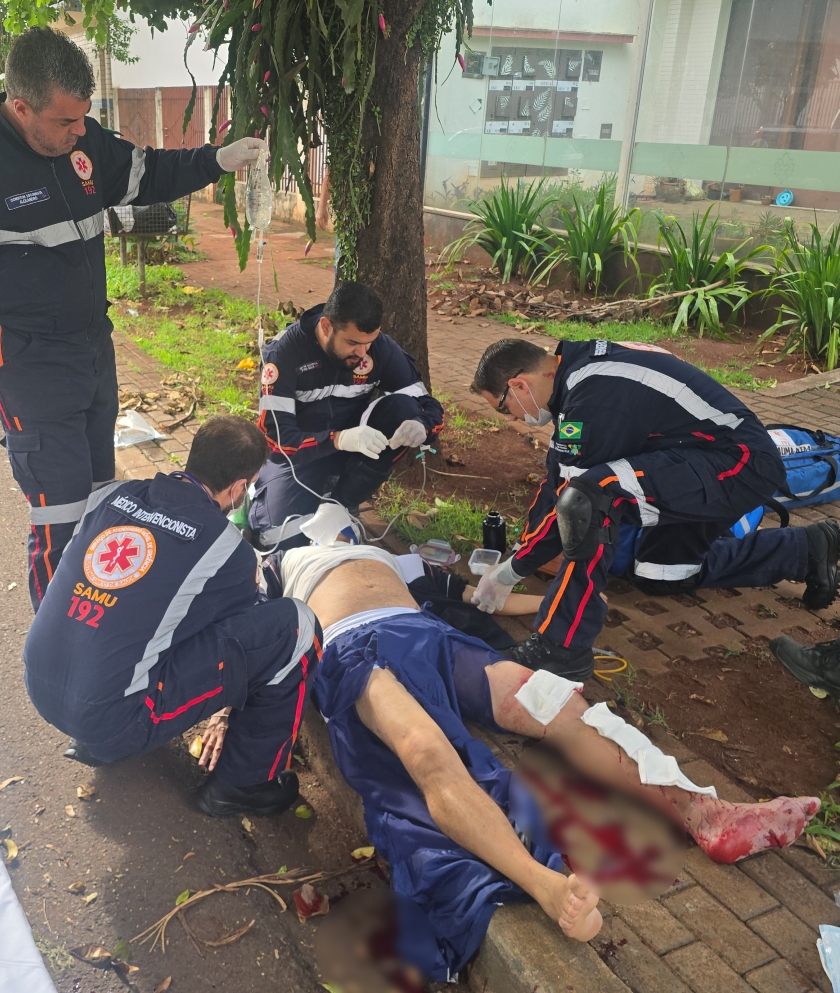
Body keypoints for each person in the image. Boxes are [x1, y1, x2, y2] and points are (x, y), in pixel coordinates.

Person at [275, 543, 819, 981]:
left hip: (430, 637)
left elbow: (484, 599)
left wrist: (559, 603)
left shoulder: (398, 558)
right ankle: (546, 885)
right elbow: (257, 637)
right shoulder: (277, 555)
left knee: (558, 702)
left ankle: (706, 812)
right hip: (349, 650)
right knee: (424, 751)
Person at [0, 26, 264, 608]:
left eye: (84, 118)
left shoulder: (81, 141)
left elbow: (147, 173)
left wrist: (217, 160)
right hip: (27, 361)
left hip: (91, 350)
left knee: (102, 500)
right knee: (62, 514)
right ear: (21, 108)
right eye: (65, 122)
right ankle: (58, 643)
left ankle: (98, 619)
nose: (79, 132)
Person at [471, 338, 840, 680]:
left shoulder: (593, 394)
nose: (512, 418)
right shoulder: (574, 382)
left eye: (504, 408)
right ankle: (804, 549)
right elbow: (557, 480)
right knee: (661, 574)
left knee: (592, 499)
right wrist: (519, 554)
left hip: (738, 464)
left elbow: (574, 501)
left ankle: (561, 646)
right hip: (696, 460)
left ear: (519, 385)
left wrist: (511, 572)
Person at [22, 415, 319, 818]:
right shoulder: (225, 548)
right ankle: (245, 783)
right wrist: (225, 714)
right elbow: (237, 641)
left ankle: (94, 734)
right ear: (238, 489)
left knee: (142, 614)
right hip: (113, 718)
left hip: (41, 686)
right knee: (296, 626)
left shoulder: (111, 495)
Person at [248, 281, 443, 550]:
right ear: (326, 327)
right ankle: (268, 493)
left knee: (405, 409)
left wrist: (422, 426)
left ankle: (343, 502)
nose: (362, 353)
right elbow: (276, 440)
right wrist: (338, 439)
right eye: (352, 343)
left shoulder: (380, 348)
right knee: (276, 539)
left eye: (368, 343)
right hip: (299, 456)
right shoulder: (284, 353)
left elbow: (428, 405)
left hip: (355, 450)